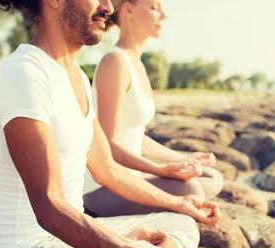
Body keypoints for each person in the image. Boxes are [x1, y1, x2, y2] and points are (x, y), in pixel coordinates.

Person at [0, 0, 221, 248]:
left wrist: (180, 202)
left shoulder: (74, 74)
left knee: (183, 224)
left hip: (66, 238)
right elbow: (48, 205)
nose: (108, 6)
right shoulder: (25, 76)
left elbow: (107, 169)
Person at [83, 0, 224, 217]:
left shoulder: (136, 64)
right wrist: (159, 170)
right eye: (155, 8)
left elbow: (133, 136)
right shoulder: (115, 63)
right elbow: (108, 145)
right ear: (128, 10)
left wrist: (183, 158)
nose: (164, 16)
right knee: (192, 190)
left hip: (134, 177)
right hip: (104, 187)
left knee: (212, 178)